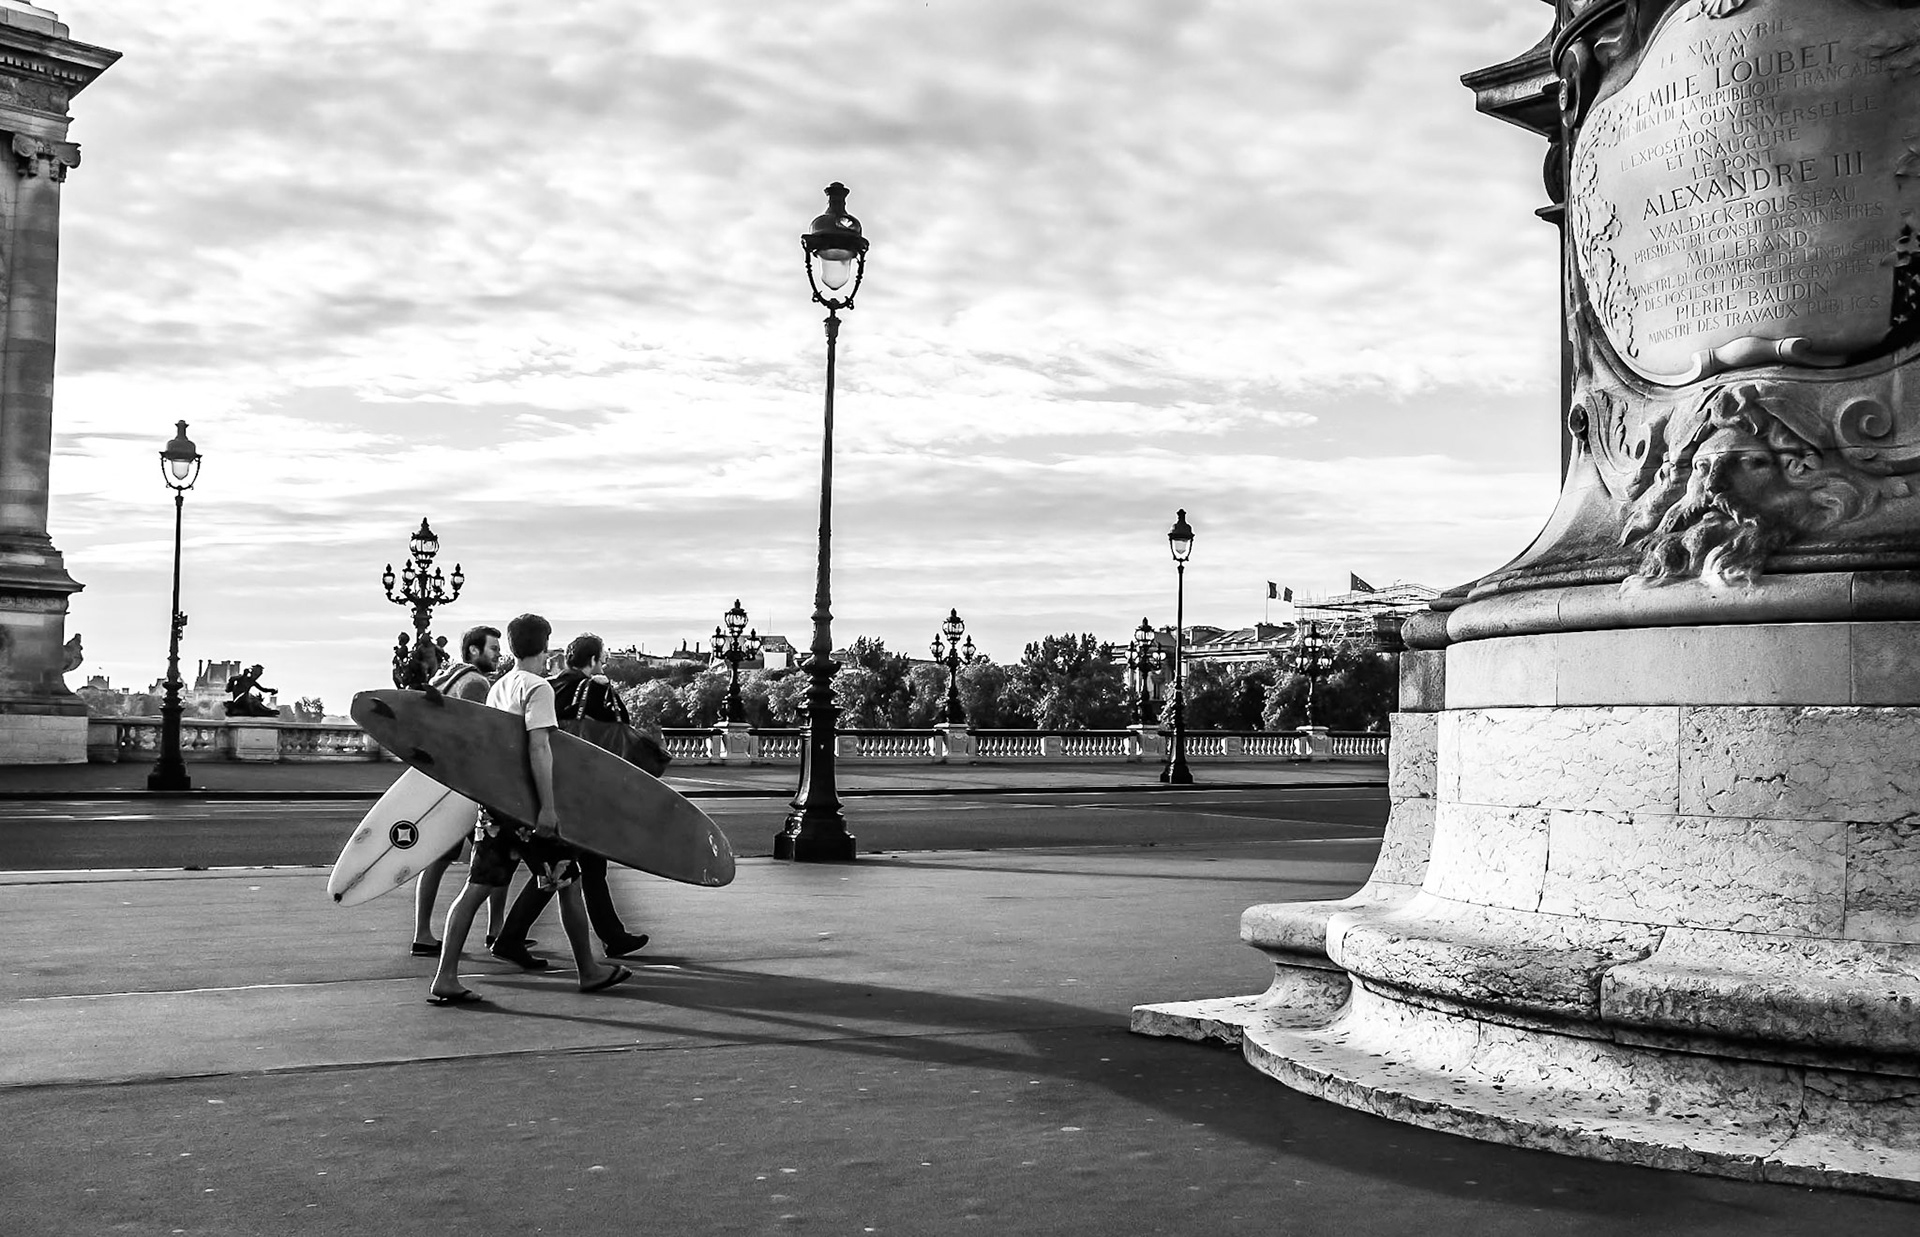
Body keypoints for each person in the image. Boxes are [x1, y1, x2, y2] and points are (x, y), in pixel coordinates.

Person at [428, 612, 631, 1004]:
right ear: (546, 643)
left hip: (496, 804)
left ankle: (445, 976)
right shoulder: (538, 688)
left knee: (475, 889)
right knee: (569, 883)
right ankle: (588, 971)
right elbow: (539, 749)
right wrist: (549, 808)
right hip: (527, 807)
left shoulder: (499, 686)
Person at [488, 633, 649, 968]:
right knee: (558, 869)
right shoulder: (595, 690)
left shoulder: (547, 686)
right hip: (576, 792)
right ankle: (512, 938)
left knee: (589, 864)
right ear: (592, 661)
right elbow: (620, 735)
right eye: (601, 660)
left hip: (531, 790)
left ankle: (613, 936)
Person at [409, 624, 512, 957]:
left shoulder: (445, 676)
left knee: (437, 858)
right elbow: (479, 734)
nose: (498, 654)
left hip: (439, 778)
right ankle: (497, 931)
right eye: (493, 648)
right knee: (500, 854)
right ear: (473, 651)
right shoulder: (477, 683)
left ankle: (422, 933)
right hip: (468, 783)